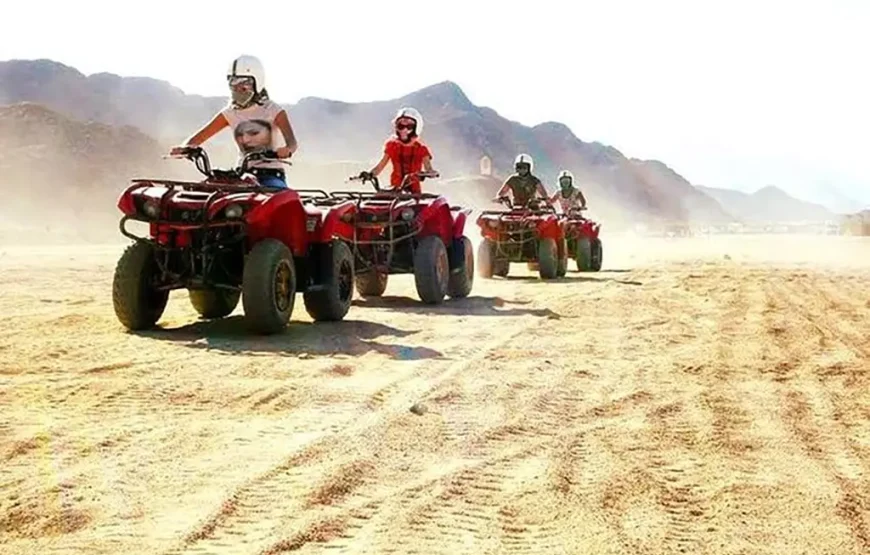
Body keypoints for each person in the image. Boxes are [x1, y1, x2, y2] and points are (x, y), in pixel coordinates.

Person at [170, 55, 298, 188]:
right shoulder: (230, 113)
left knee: (277, 200)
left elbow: (292, 142)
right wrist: (185, 148)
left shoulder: (273, 110)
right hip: (242, 174)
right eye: (234, 87)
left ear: (257, 83)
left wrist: (287, 150)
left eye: (243, 87)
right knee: (201, 193)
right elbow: (200, 137)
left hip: (270, 175)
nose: (238, 92)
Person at [360, 107, 438, 194]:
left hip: (413, 192)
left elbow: (429, 169)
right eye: (401, 126)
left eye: (409, 127)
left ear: (416, 128)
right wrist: (369, 175)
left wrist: (429, 173)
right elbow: (380, 166)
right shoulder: (392, 146)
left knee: (411, 207)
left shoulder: (421, 149)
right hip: (394, 190)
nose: (404, 130)